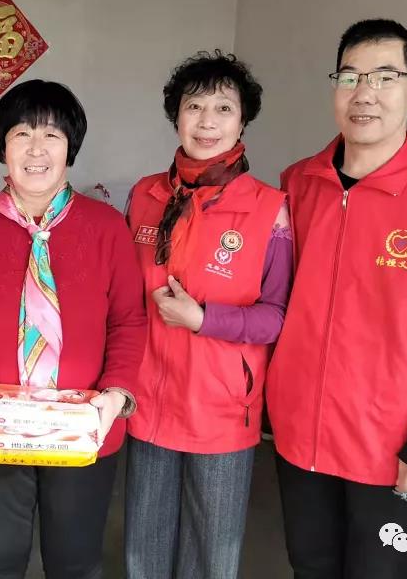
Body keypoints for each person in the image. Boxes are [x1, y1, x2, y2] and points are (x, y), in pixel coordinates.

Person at [267, 19, 407, 579]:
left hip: (390, 444)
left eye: (385, 77)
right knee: (309, 566)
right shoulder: (297, 185)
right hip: (300, 433)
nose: (364, 93)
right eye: (350, 77)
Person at [0, 78, 146, 579]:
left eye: (51, 135)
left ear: (70, 147)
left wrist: (116, 393)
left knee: (75, 563)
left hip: (83, 428)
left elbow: (128, 320)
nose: (36, 149)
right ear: (2, 147)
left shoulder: (106, 228)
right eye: (21, 134)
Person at [124, 51, 292, 579]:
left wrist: (204, 320)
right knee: (144, 546)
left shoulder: (270, 209)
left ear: (243, 121)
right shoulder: (145, 196)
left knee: (212, 554)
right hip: (147, 401)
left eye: (224, 108)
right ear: (176, 116)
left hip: (221, 409)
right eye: (194, 106)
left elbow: (275, 317)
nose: (207, 121)